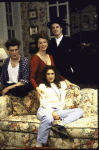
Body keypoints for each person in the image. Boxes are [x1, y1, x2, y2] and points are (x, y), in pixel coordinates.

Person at [36, 65, 84, 147]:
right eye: (48, 74)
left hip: (59, 111)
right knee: (49, 118)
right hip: (45, 109)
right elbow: (42, 101)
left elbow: (74, 85)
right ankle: (39, 145)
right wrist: (52, 112)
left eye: (52, 74)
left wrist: (76, 88)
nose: (50, 76)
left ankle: (60, 125)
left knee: (80, 111)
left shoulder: (62, 84)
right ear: (45, 75)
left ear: (55, 74)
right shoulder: (42, 86)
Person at [30, 32, 78, 99]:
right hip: (42, 87)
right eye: (40, 43)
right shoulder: (35, 59)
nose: (42, 45)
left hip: (52, 85)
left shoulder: (50, 56)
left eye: (44, 42)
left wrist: (65, 80)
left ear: (47, 43)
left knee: (73, 90)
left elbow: (55, 73)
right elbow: (31, 77)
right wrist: (37, 88)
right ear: (37, 45)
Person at [47, 17, 78, 82]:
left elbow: (76, 57)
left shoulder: (70, 40)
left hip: (68, 72)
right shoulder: (49, 43)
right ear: (52, 30)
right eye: (53, 28)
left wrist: (73, 69)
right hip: (55, 73)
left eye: (57, 27)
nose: (55, 29)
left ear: (61, 28)